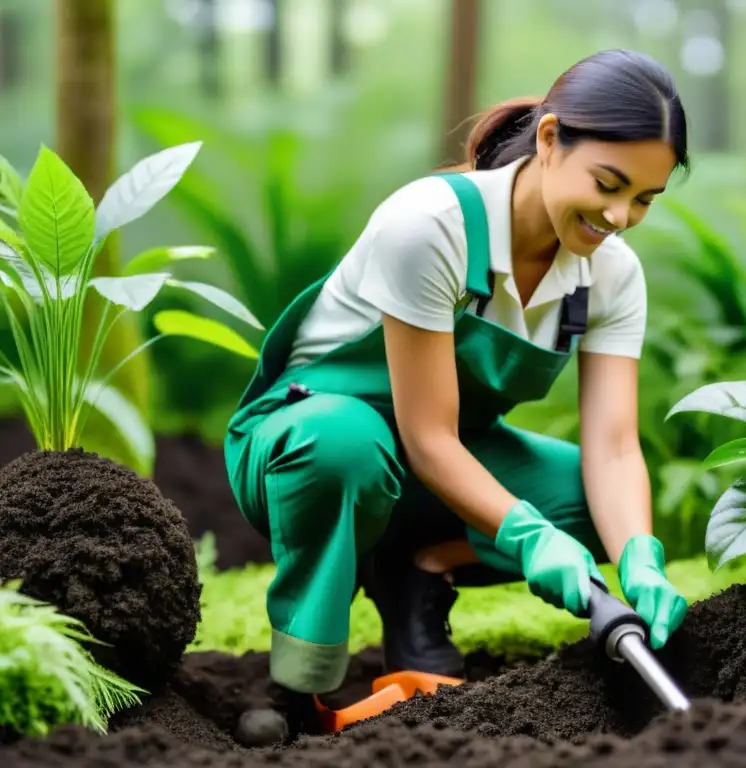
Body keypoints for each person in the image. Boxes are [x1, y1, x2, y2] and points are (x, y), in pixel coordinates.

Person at [223, 48, 691, 733]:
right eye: (609, 183)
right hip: (308, 442)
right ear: (552, 139)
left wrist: (640, 560)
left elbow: (615, 449)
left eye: (644, 200)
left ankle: (417, 569)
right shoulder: (432, 226)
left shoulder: (610, 276)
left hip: (444, 458)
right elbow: (427, 436)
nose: (620, 216)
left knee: (605, 507)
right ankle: (301, 689)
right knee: (345, 447)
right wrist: (531, 537)